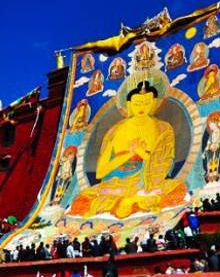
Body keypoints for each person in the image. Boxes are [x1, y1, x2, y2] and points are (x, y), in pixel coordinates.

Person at [69, 76, 187, 219]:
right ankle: (128, 202)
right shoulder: (114, 131)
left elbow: (164, 165)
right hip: (115, 184)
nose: (141, 107)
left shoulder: (163, 129)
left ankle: (129, 202)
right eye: (137, 103)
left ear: (155, 103)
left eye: (146, 102)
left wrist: (142, 154)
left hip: (146, 182)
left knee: (177, 189)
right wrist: (128, 154)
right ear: (129, 104)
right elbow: (100, 172)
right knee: (82, 201)